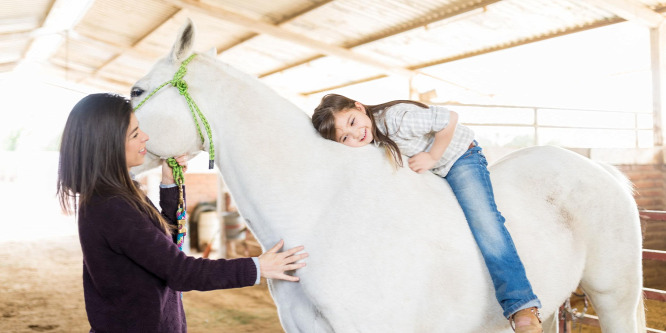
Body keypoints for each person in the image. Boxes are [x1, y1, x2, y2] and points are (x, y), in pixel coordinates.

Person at [57, 93, 307, 332]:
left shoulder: (120, 194)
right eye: (134, 133)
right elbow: (180, 272)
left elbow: (167, 244)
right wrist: (257, 267)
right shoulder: (111, 207)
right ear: (108, 146)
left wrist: (170, 183)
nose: (145, 137)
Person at [311, 94, 542, 333]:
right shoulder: (367, 142)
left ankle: (521, 303)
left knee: (485, 221)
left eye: (352, 122)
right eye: (345, 137)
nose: (356, 133)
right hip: (432, 170)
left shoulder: (395, 119)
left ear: (359, 107)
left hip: (459, 158)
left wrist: (433, 156)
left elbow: (449, 119)